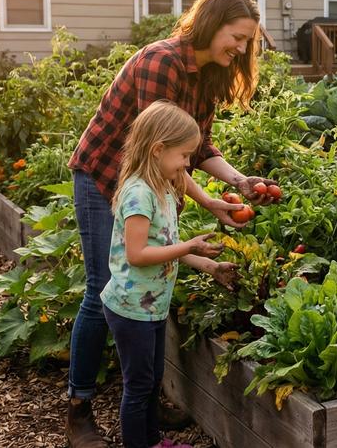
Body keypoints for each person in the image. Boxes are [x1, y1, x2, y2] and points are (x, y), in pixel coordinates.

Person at [65, 0, 279, 447]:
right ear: (212, 23)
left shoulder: (209, 74)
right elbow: (158, 150)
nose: (241, 50)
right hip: (105, 176)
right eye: (237, 38)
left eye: (247, 43)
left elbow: (193, 147)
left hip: (149, 182)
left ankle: (141, 398)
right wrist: (205, 203)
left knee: (141, 293)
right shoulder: (162, 62)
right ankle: (79, 410)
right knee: (102, 286)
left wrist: (237, 185)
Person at [102, 100, 226, 448]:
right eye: (184, 155)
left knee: (153, 379)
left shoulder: (164, 189)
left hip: (152, 306)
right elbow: (138, 254)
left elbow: (166, 246)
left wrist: (209, 266)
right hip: (130, 309)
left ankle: (154, 441)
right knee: (138, 388)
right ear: (158, 150)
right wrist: (189, 247)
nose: (188, 163)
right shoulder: (139, 195)